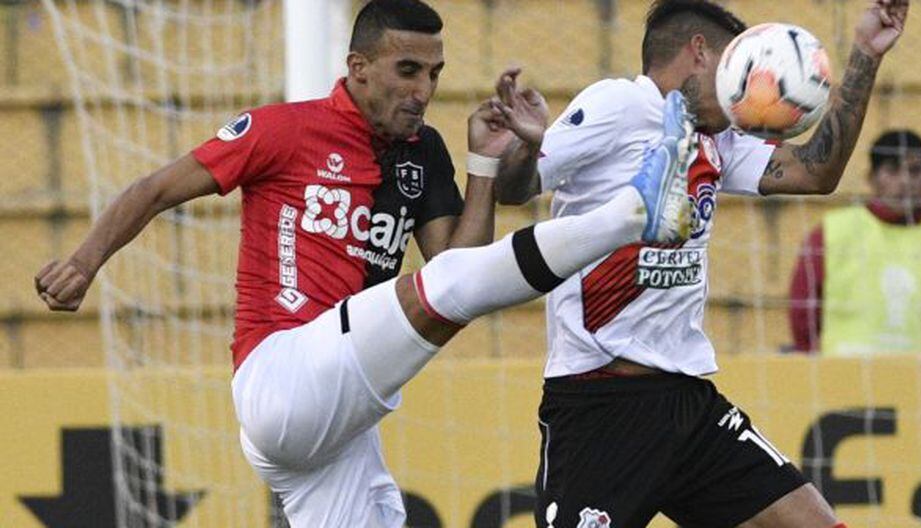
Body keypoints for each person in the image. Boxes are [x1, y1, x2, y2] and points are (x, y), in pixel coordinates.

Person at [32, 0, 699, 526]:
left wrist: (484, 166)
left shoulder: (422, 154)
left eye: (434, 73)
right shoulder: (281, 130)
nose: (424, 90)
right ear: (357, 67)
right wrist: (84, 263)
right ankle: (633, 214)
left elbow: (456, 269)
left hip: (335, 432)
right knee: (444, 294)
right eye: (407, 71)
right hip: (282, 373)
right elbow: (153, 189)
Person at [491, 0, 909, 526]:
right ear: (698, 52)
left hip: (688, 405)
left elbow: (814, 172)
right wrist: (527, 149)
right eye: (734, 65)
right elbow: (514, 188)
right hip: (600, 406)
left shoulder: (718, 137)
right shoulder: (618, 105)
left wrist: (866, 54)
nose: (744, 90)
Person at [789, 129, 921, 356]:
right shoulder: (832, 232)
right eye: (893, 171)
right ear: (871, 178)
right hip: (843, 379)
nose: (905, 182)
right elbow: (803, 314)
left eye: (915, 171)